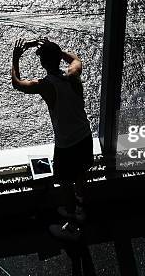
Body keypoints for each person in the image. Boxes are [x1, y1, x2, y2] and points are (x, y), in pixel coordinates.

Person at [11, 38, 93, 241]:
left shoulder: (46, 86)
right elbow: (75, 58)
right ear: (58, 59)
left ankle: (72, 227)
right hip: (84, 135)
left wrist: (15, 59)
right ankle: (81, 210)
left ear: (43, 63)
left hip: (66, 144)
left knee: (65, 183)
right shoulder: (73, 74)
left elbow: (17, 84)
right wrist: (55, 49)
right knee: (80, 174)